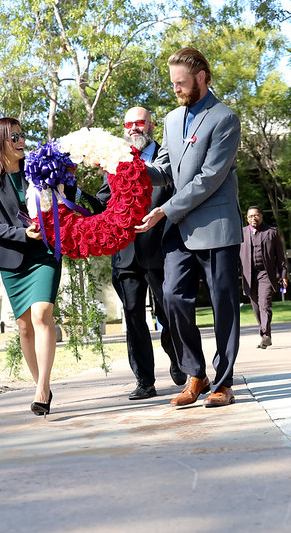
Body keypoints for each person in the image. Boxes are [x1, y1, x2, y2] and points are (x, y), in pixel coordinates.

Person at [137, 47, 242, 408]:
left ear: (202, 77)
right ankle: (195, 373)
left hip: (215, 227)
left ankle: (224, 383)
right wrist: (128, 168)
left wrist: (164, 210)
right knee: (171, 297)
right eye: (173, 84)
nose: (176, 90)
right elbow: (164, 169)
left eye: (181, 83)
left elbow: (209, 178)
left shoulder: (225, 118)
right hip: (179, 229)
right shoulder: (170, 119)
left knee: (223, 305)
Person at [0, 117, 69, 417]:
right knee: (25, 327)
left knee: (43, 313)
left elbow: (61, 198)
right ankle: (40, 383)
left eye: (22, 135)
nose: (20, 140)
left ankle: (42, 389)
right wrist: (20, 233)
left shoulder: (37, 169)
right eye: (13, 136)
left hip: (43, 252)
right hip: (12, 258)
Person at [93, 107, 185, 401]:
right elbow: (102, 201)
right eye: (129, 124)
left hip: (163, 250)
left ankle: (178, 358)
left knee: (168, 311)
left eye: (140, 122)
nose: (134, 128)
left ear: (151, 126)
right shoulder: (114, 160)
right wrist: (71, 195)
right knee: (133, 318)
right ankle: (144, 380)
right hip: (125, 254)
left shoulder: (166, 157)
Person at [239, 206, 288, 349]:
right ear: (246, 219)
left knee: (265, 304)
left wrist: (283, 273)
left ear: (261, 216)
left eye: (256, 215)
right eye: (250, 216)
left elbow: (280, 256)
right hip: (249, 275)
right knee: (256, 307)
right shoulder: (241, 233)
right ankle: (265, 336)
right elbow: (236, 257)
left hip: (266, 274)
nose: (253, 218)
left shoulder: (271, 232)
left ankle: (265, 334)